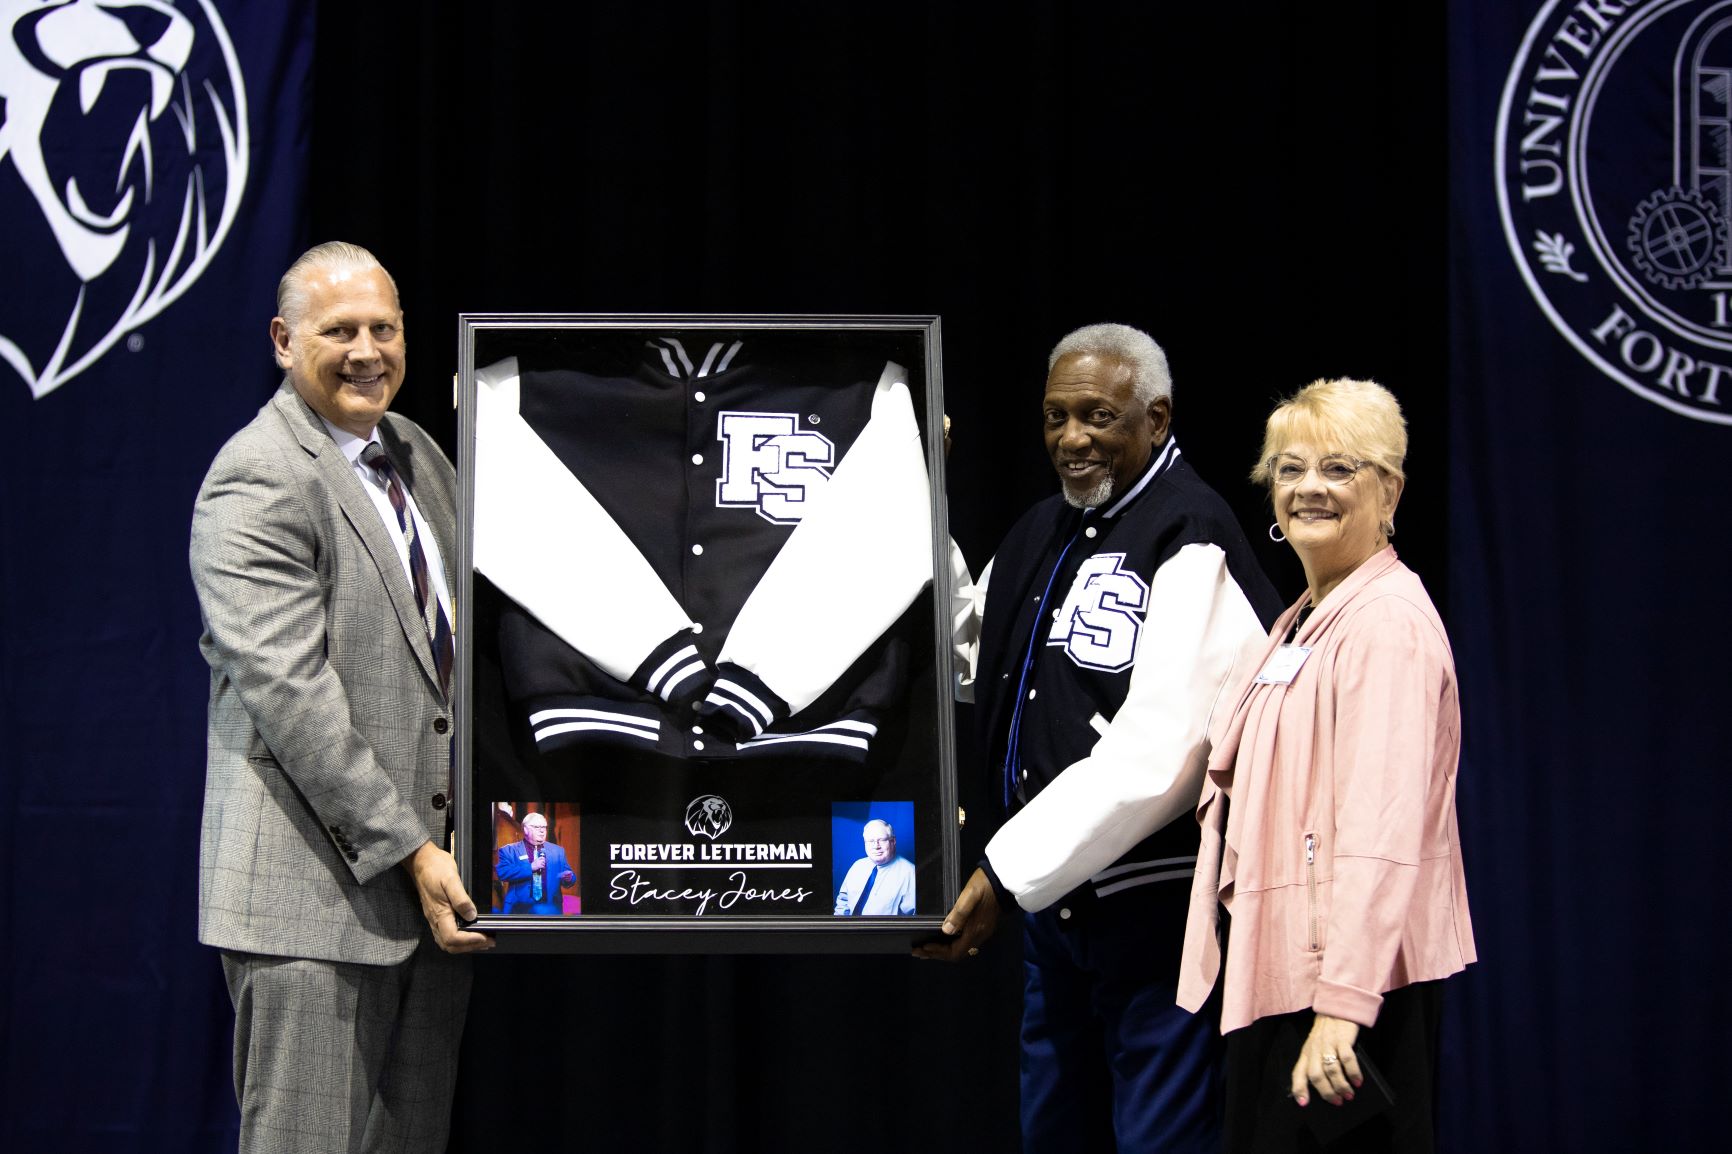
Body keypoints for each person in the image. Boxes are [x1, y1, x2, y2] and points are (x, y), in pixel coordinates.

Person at [919, 323, 1283, 1152]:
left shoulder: (1191, 533)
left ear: (1156, 420)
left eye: (1099, 417)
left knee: (1158, 1140)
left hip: (1155, 917)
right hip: (1060, 919)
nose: (1072, 439)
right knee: (1054, 1134)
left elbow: (1161, 753)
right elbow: (967, 654)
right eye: (1055, 417)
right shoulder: (1042, 531)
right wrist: (922, 488)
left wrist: (1004, 873)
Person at [190, 241, 493, 1154]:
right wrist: (411, 850)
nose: (368, 350)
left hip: (431, 905)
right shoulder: (256, 477)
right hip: (307, 908)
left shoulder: (421, 456)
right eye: (339, 331)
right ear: (284, 341)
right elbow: (295, 697)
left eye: (385, 329)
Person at [1176, 378, 1476, 1153]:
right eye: (1289, 467)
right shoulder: (1301, 619)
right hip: (1289, 971)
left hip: (1348, 989)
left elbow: (1381, 830)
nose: (1308, 487)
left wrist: (1343, 1004)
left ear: (1391, 492)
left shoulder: (1386, 627)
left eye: (1340, 468)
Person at [833, 818, 917, 916]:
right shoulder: (857, 866)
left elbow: (915, 920)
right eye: (870, 841)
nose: (876, 846)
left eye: (881, 840)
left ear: (893, 841)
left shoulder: (910, 873)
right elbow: (843, 902)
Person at [497, 811, 576, 914]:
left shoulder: (558, 851)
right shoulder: (509, 850)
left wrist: (569, 877)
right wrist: (530, 868)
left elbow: (569, 875)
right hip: (519, 910)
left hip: (551, 909)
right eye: (537, 827)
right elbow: (502, 873)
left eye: (544, 827)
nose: (542, 831)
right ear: (525, 829)